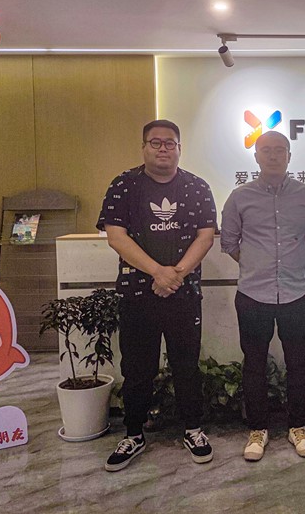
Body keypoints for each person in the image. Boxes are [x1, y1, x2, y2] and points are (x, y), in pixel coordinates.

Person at [98, 119, 217, 472]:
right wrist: (157, 272)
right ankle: (133, 434)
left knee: (186, 366)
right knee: (137, 369)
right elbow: (116, 236)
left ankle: (193, 429)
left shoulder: (197, 187)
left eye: (170, 143)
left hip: (183, 292)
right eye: (156, 142)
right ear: (144, 147)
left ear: (179, 148)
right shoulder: (124, 185)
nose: (163, 149)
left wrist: (175, 274)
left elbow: (206, 236)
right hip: (138, 294)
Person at [220, 131, 305, 462]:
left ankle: (298, 427)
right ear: (256, 156)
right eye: (267, 150)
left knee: (298, 363)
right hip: (253, 293)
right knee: (254, 364)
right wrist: (256, 265)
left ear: (290, 155)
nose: (274, 156)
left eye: (280, 150)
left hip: (295, 292)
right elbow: (229, 242)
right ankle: (258, 429)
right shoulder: (240, 197)